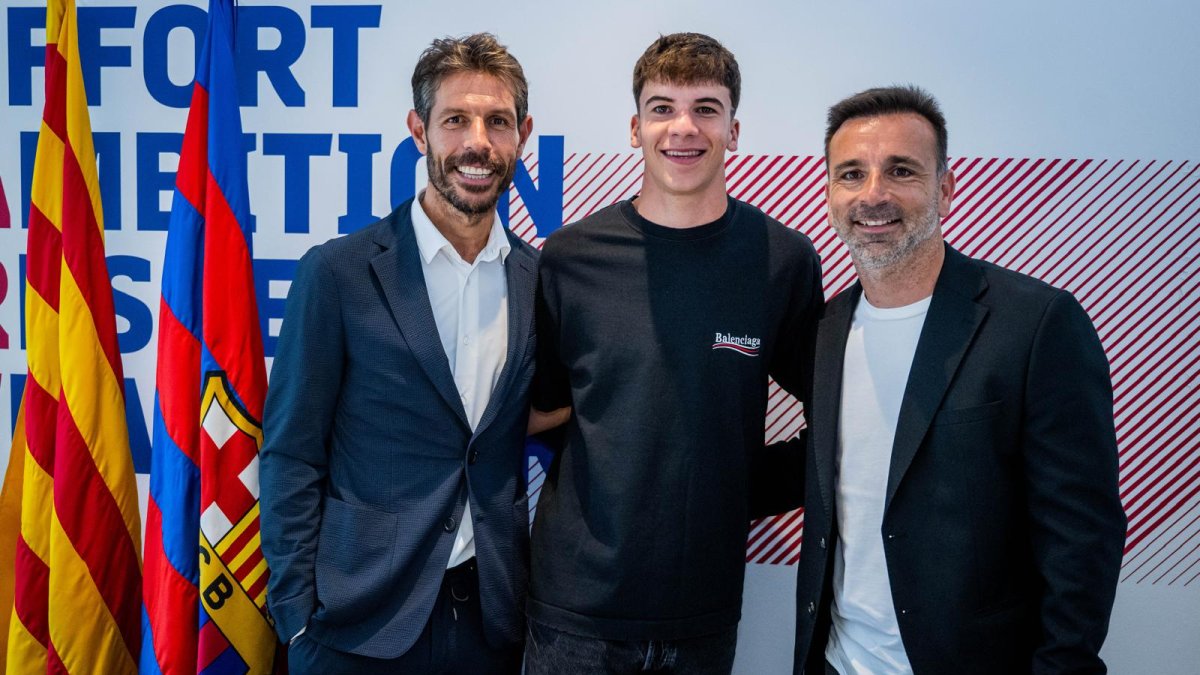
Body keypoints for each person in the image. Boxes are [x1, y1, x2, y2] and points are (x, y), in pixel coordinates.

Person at [792, 85, 1126, 675]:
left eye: (900, 170)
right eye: (851, 174)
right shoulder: (826, 328)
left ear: (945, 188)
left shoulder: (1036, 323)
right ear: (829, 192)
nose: (873, 195)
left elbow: (1081, 538)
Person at [526, 33, 823, 675]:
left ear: (734, 130)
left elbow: (836, 414)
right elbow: (539, 412)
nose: (683, 127)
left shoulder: (782, 262)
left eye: (706, 108)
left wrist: (734, 484)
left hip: (703, 611)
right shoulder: (572, 258)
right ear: (635, 129)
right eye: (662, 108)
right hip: (573, 612)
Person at [260, 33, 546, 674]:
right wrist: (298, 621)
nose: (478, 142)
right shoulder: (338, 273)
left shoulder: (540, 279)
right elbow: (290, 451)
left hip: (491, 620)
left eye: (497, 122)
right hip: (354, 623)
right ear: (419, 131)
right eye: (455, 120)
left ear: (522, 134)